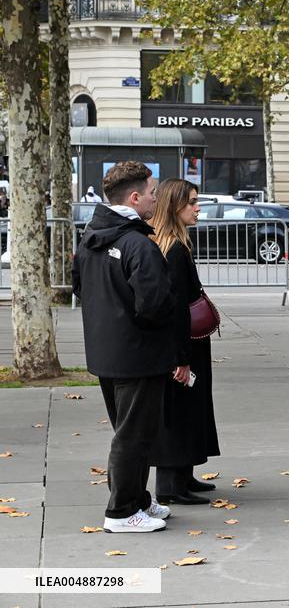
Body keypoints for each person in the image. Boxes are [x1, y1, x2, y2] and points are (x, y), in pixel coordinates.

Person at [72, 161, 176, 533]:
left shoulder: (90, 237)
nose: (154, 199)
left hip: (108, 351)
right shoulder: (137, 244)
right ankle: (120, 512)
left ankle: (137, 500)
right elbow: (155, 304)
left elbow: (80, 288)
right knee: (134, 435)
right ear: (134, 197)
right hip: (138, 354)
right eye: (151, 193)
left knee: (129, 432)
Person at [148, 179, 221, 506]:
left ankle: (183, 476)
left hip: (184, 341)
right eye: (191, 202)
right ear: (174, 206)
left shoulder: (172, 244)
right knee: (180, 411)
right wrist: (181, 357)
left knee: (188, 409)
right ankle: (170, 486)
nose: (197, 207)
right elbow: (176, 307)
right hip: (183, 344)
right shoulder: (174, 250)